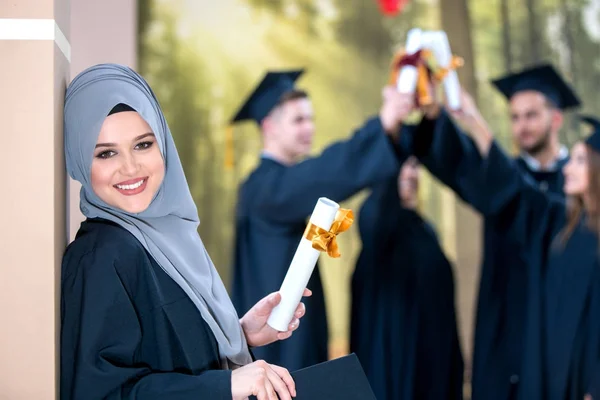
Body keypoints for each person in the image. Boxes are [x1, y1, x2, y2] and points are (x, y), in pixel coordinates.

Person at [60, 63, 310, 400]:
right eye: (106, 153)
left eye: (143, 145)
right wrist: (227, 384)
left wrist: (238, 334)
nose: (130, 167)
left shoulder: (165, 235)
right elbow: (103, 394)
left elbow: (162, 347)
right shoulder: (102, 256)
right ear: (78, 159)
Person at [412, 89, 600, 399]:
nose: (569, 169)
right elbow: (514, 188)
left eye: (531, 115)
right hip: (525, 345)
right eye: (514, 117)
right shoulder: (558, 219)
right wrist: (471, 118)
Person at [230, 69, 415, 370]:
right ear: (269, 127)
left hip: (296, 335)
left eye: (311, 119)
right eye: (298, 120)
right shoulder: (262, 188)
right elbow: (323, 173)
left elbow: (320, 190)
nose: (309, 128)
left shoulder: (281, 190)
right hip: (277, 351)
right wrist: (382, 124)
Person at [350, 148, 464, 400]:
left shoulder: (424, 229)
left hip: (432, 361)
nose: (410, 173)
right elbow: (376, 217)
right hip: (396, 363)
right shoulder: (376, 227)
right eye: (401, 165)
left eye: (414, 165)